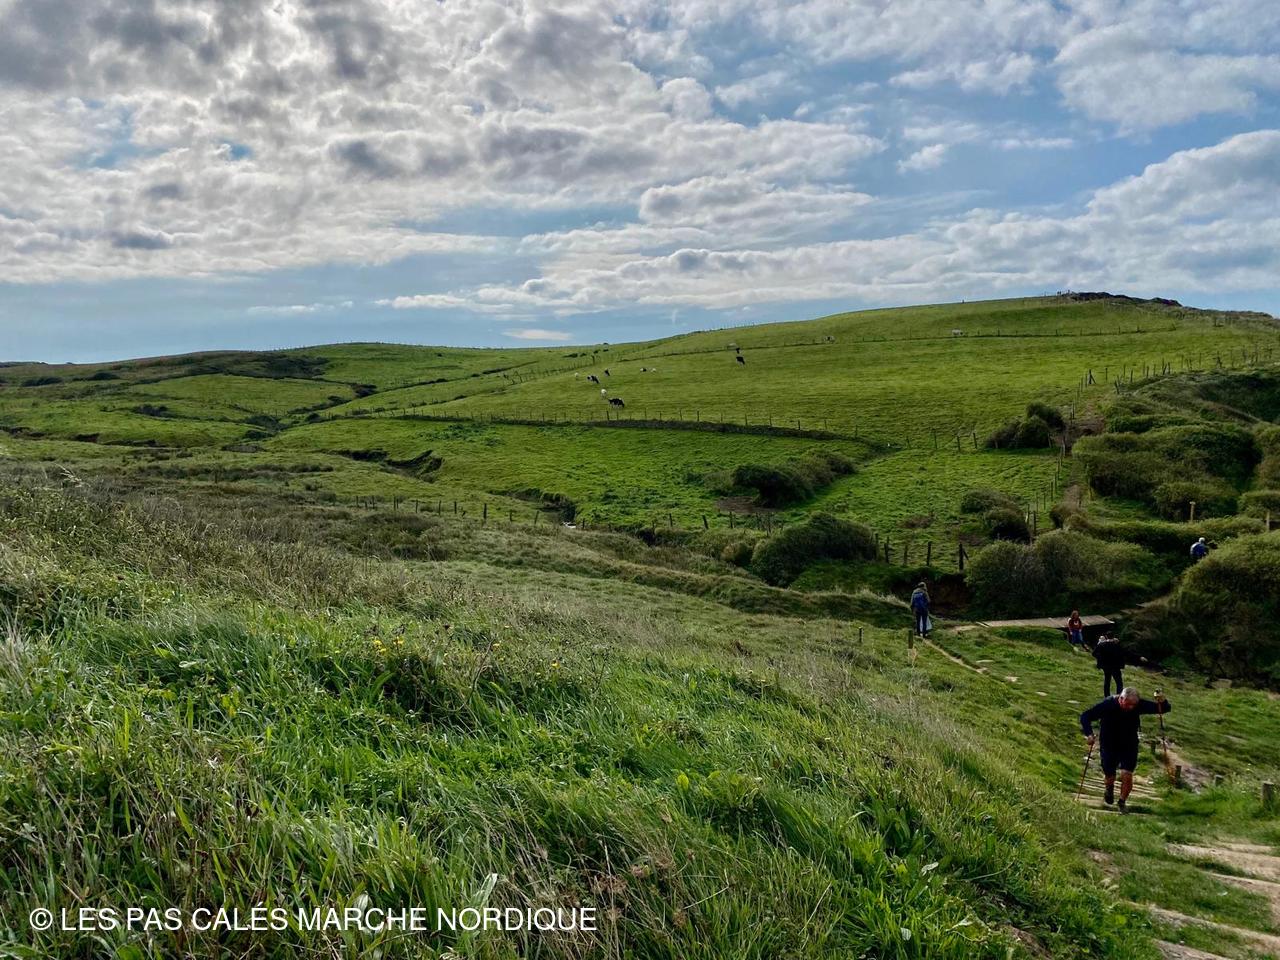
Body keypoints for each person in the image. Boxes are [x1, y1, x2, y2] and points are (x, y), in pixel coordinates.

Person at [1079, 688, 1169, 812]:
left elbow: (1162, 709)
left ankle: (1122, 802)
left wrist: (1162, 700)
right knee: (1110, 775)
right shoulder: (1108, 704)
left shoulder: (1138, 704)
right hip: (1109, 744)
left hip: (1129, 744)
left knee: (1127, 774)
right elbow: (1085, 716)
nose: (1131, 707)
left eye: (1133, 705)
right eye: (1128, 704)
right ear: (1121, 699)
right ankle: (1109, 788)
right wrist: (1089, 734)